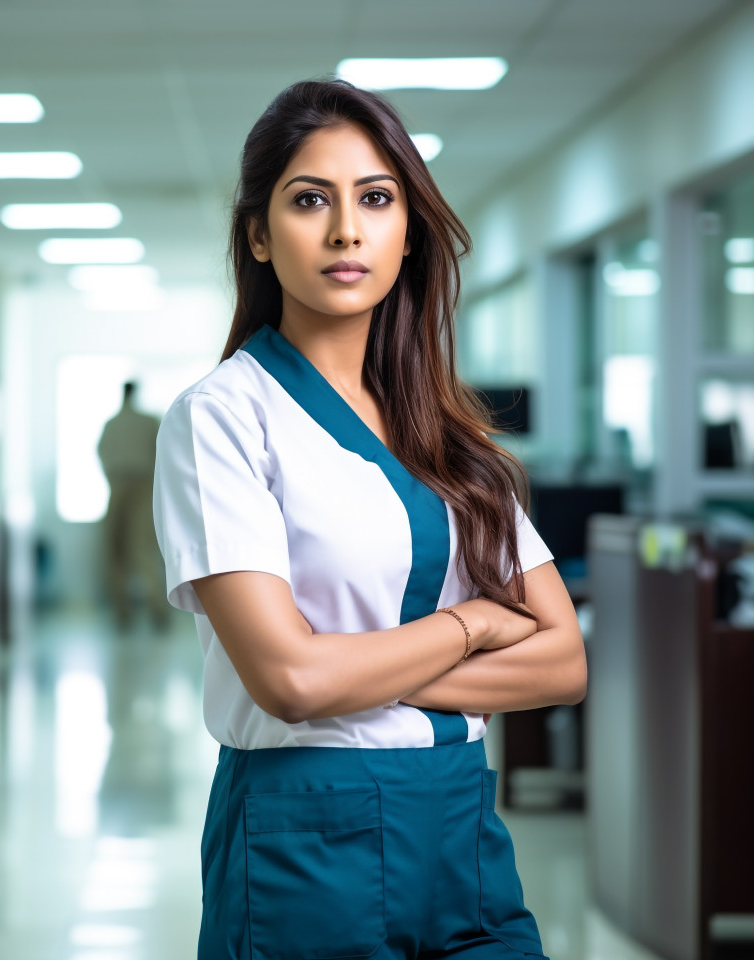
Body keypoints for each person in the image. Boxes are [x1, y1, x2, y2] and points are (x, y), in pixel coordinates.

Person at [152, 79, 586, 960]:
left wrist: (355, 665)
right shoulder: (223, 416)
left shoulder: (454, 436)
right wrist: (472, 624)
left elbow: (563, 661)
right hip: (303, 837)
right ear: (260, 236)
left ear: (407, 232)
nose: (347, 229)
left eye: (377, 199)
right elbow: (292, 684)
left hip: (462, 827)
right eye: (310, 200)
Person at [97, 381, 169, 630]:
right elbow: (162, 453)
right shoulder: (149, 422)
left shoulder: (112, 424)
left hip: (118, 485)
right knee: (143, 549)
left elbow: (102, 454)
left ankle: (123, 611)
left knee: (117, 551)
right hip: (143, 486)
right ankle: (157, 608)